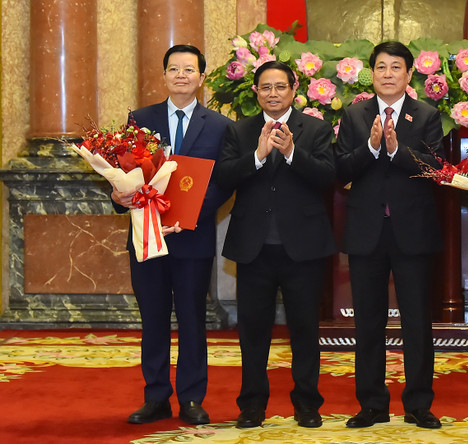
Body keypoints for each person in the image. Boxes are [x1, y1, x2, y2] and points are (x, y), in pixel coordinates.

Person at [112, 44, 233, 425]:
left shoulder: (219, 125)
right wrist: (119, 196)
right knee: (153, 317)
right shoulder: (140, 119)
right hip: (147, 236)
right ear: (163, 75)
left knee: (193, 318)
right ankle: (156, 397)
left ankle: (192, 398)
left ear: (201, 77)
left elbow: (224, 182)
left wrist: (190, 213)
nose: (181, 75)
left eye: (189, 69)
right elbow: (125, 172)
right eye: (174, 69)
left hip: (192, 238)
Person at [215, 60, 336, 429]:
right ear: (255, 92)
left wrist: (291, 154)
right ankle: (252, 405)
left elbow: (328, 176)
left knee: (304, 330)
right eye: (265, 87)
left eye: (279, 87)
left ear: (293, 88)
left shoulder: (315, 128)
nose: (272, 94)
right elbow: (223, 176)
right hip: (254, 248)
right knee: (253, 331)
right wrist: (258, 156)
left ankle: (307, 403)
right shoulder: (240, 130)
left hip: (303, 248)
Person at [335, 41, 444, 429]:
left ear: (409, 74)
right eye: (380, 67)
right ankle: (372, 404)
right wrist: (371, 146)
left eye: (395, 67)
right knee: (368, 321)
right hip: (367, 232)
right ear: (372, 73)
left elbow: (435, 168)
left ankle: (418, 404)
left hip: (412, 232)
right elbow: (341, 169)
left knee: (417, 320)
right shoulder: (354, 116)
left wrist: (397, 151)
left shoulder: (427, 116)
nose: (387, 73)